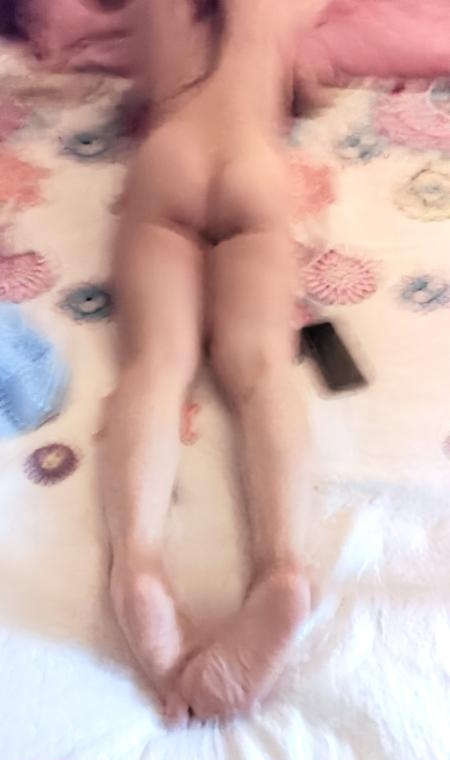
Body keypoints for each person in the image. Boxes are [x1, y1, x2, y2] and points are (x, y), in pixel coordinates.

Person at [100, 0, 311, 723]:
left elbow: (133, 78)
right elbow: (313, 72)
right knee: (262, 368)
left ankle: (138, 566)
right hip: (254, 165)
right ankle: (282, 567)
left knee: (157, 365)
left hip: (170, 157)